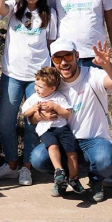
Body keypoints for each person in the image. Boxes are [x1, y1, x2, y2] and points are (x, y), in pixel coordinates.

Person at [0, 0, 56, 187]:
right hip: (12, 75)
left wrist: (52, 77)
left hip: (37, 79)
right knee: (6, 121)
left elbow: (52, 45)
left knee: (31, 123)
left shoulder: (49, 15)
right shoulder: (15, 9)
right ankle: (11, 164)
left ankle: (26, 167)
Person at [28, 39, 112, 203]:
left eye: (67, 56)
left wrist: (107, 65)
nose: (63, 63)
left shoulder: (92, 75)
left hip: (94, 139)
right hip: (63, 139)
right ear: (52, 61)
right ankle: (65, 177)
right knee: (38, 158)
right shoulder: (53, 84)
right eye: (58, 59)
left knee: (105, 160)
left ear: (77, 56)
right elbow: (31, 118)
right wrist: (40, 116)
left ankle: (96, 181)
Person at [21, 67, 83, 196]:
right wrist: (33, 109)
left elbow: (67, 114)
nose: (37, 88)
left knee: (71, 153)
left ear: (52, 88)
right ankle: (59, 171)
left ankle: (73, 178)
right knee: (52, 146)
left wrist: (55, 106)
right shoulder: (34, 98)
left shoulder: (58, 97)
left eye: (41, 87)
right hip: (46, 129)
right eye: (36, 84)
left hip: (62, 128)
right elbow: (25, 113)